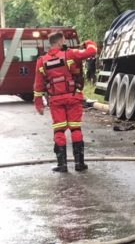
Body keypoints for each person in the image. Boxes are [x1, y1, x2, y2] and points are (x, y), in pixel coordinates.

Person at [33, 33, 97, 173]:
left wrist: (38, 104)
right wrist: (88, 42)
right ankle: (79, 164)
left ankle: (62, 165)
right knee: (75, 129)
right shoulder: (70, 54)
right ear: (60, 41)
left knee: (59, 130)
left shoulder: (42, 61)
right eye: (63, 40)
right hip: (73, 98)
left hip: (56, 100)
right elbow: (92, 51)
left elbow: (38, 85)